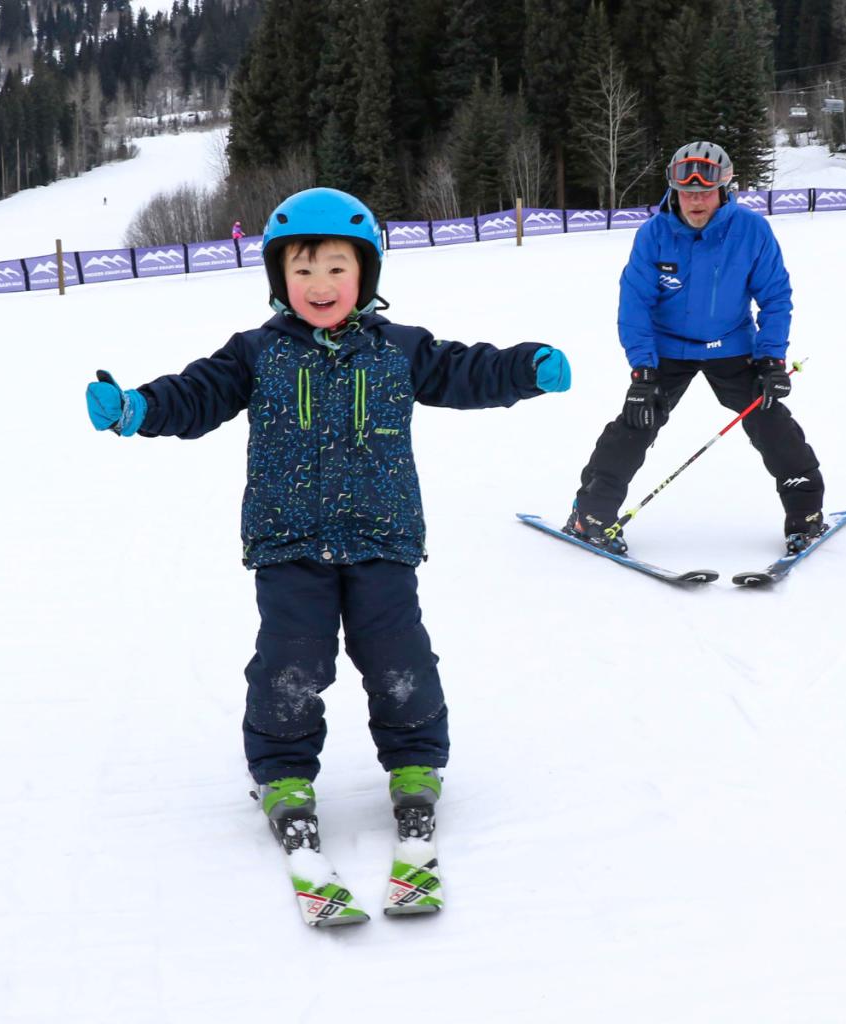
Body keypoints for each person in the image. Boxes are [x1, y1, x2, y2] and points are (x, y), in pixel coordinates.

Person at [84, 188, 571, 856]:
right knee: (291, 663)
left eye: (337, 268)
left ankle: (415, 763)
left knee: (400, 658)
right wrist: (136, 408)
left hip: (381, 537)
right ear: (279, 278)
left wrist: (525, 368)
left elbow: (465, 371)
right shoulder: (257, 353)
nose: (320, 284)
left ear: (365, 273)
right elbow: (196, 394)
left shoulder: (399, 348)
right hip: (289, 543)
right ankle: (282, 774)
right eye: (303, 269)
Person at [564, 140, 825, 556]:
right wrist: (642, 371)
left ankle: (805, 516)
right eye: (688, 192)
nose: (696, 200)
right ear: (674, 190)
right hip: (667, 349)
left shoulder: (751, 231)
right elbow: (634, 305)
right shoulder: (654, 235)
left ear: (724, 190)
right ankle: (590, 515)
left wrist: (772, 359)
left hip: (734, 345)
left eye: (705, 191)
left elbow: (775, 297)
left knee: (771, 420)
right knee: (637, 421)